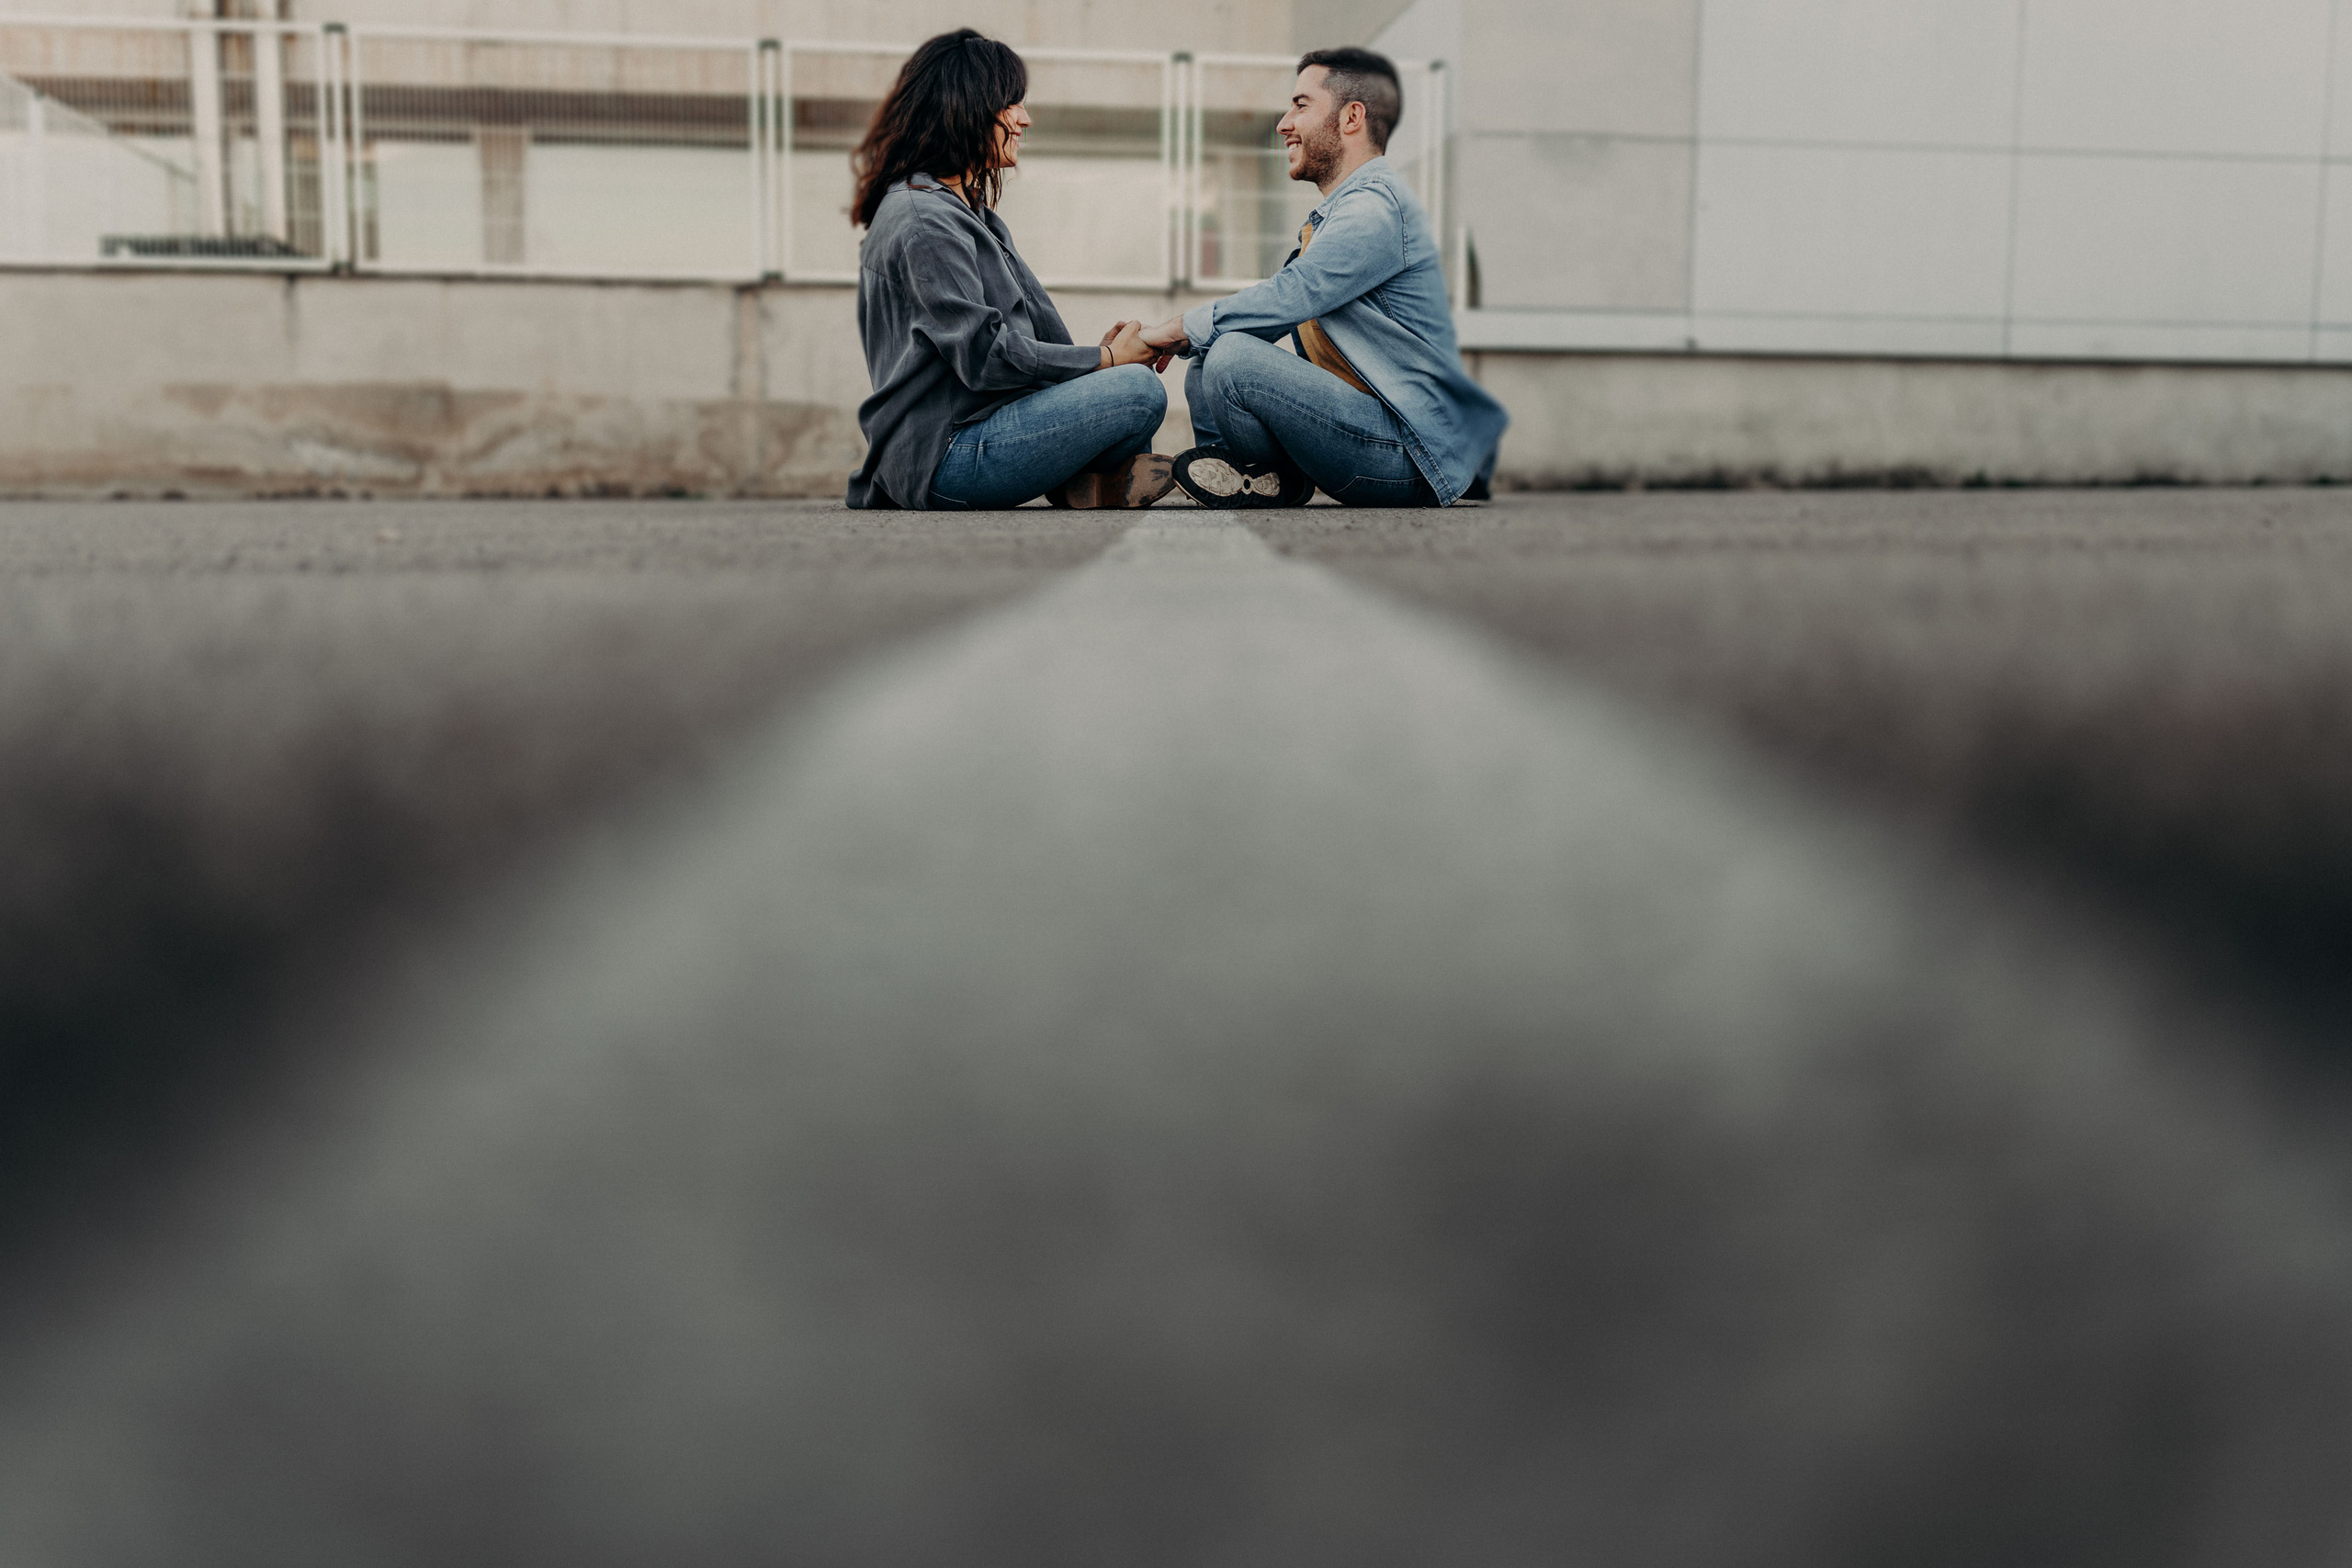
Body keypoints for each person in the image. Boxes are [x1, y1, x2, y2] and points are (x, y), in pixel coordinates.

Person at [1142, 48, 1506, 509]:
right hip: (1365, 435)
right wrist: (1182, 340)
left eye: (1301, 105)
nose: (1283, 123)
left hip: (1410, 455)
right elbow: (1269, 314)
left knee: (1230, 353)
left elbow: (1295, 293)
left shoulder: (1374, 208)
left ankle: (1257, 479)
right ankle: (1246, 476)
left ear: (1351, 117)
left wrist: (1173, 327)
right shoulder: (1338, 215)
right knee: (1217, 344)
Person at [844, 29, 1178, 512]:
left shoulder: (969, 211)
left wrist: (1101, 359)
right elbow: (984, 357)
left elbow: (1032, 330)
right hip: (947, 455)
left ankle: (1088, 483)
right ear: (967, 106)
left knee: (1124, 385)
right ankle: (1093, 480)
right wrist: (1105, 362)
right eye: (1011, 104)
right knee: (1137, 392)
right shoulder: (926, 221)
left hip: (984, 429)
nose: (1025, 118)